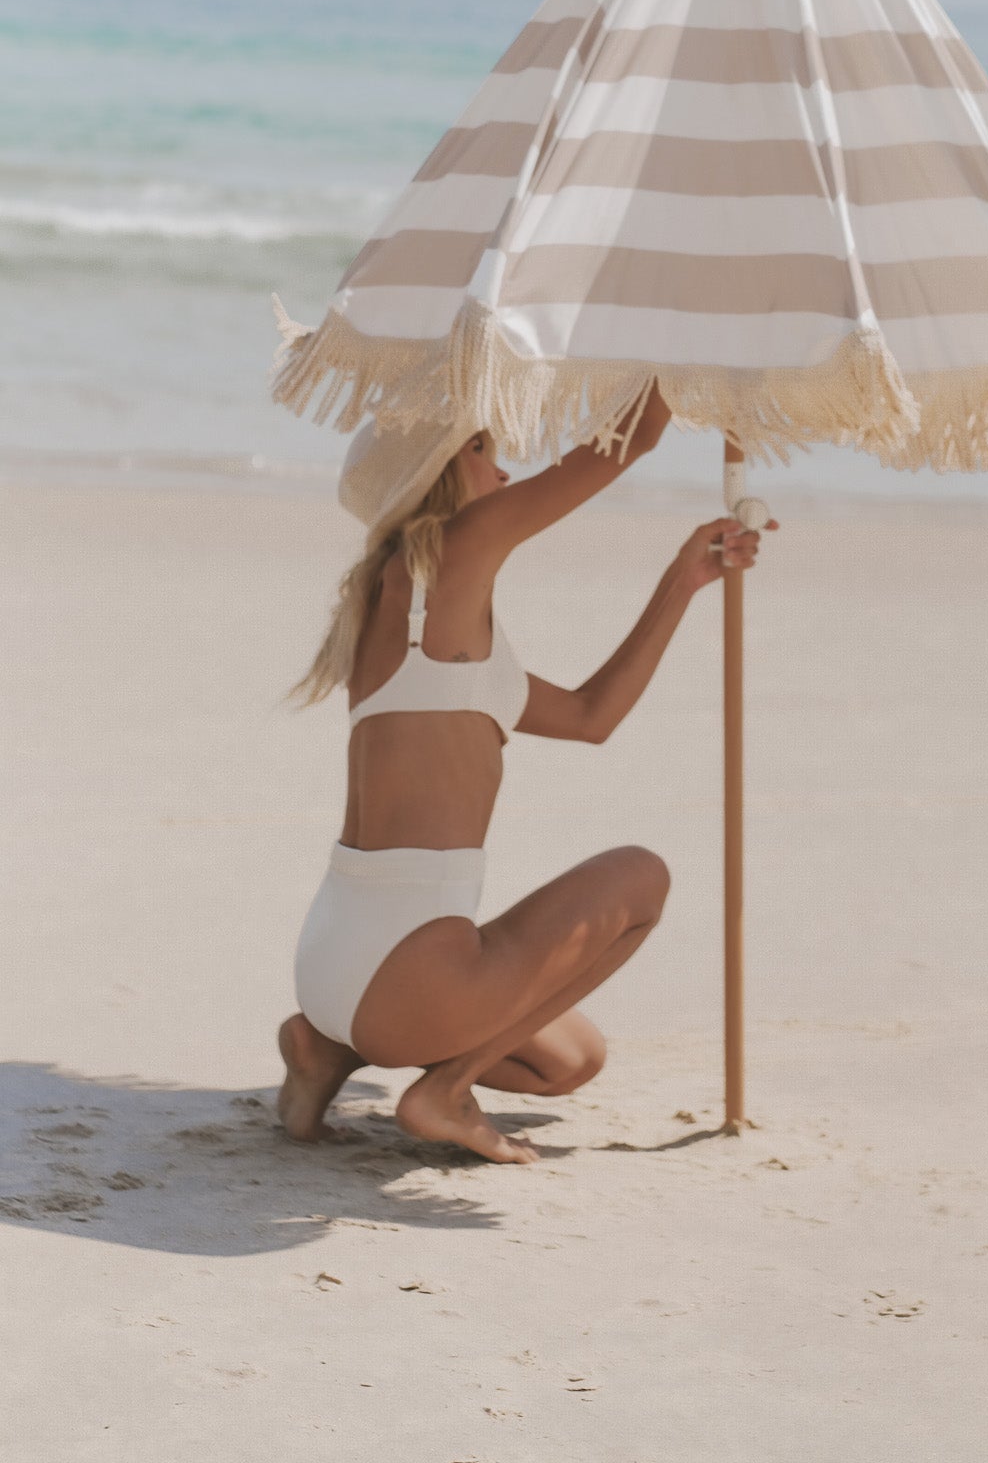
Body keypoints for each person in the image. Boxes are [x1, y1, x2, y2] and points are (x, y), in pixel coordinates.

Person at [276, 381, 776, 1164]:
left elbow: (589, 717)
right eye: (482, 450)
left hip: (337, 957)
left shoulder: (409, 615)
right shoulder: (446, 555)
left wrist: (684, 579)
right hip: (408, 961)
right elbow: (629, 441)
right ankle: (442, 1089)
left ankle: (328, 1050)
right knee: (640, 877)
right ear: (436, 480)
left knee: (571, 1062)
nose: (503, 472)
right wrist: (678, 357)